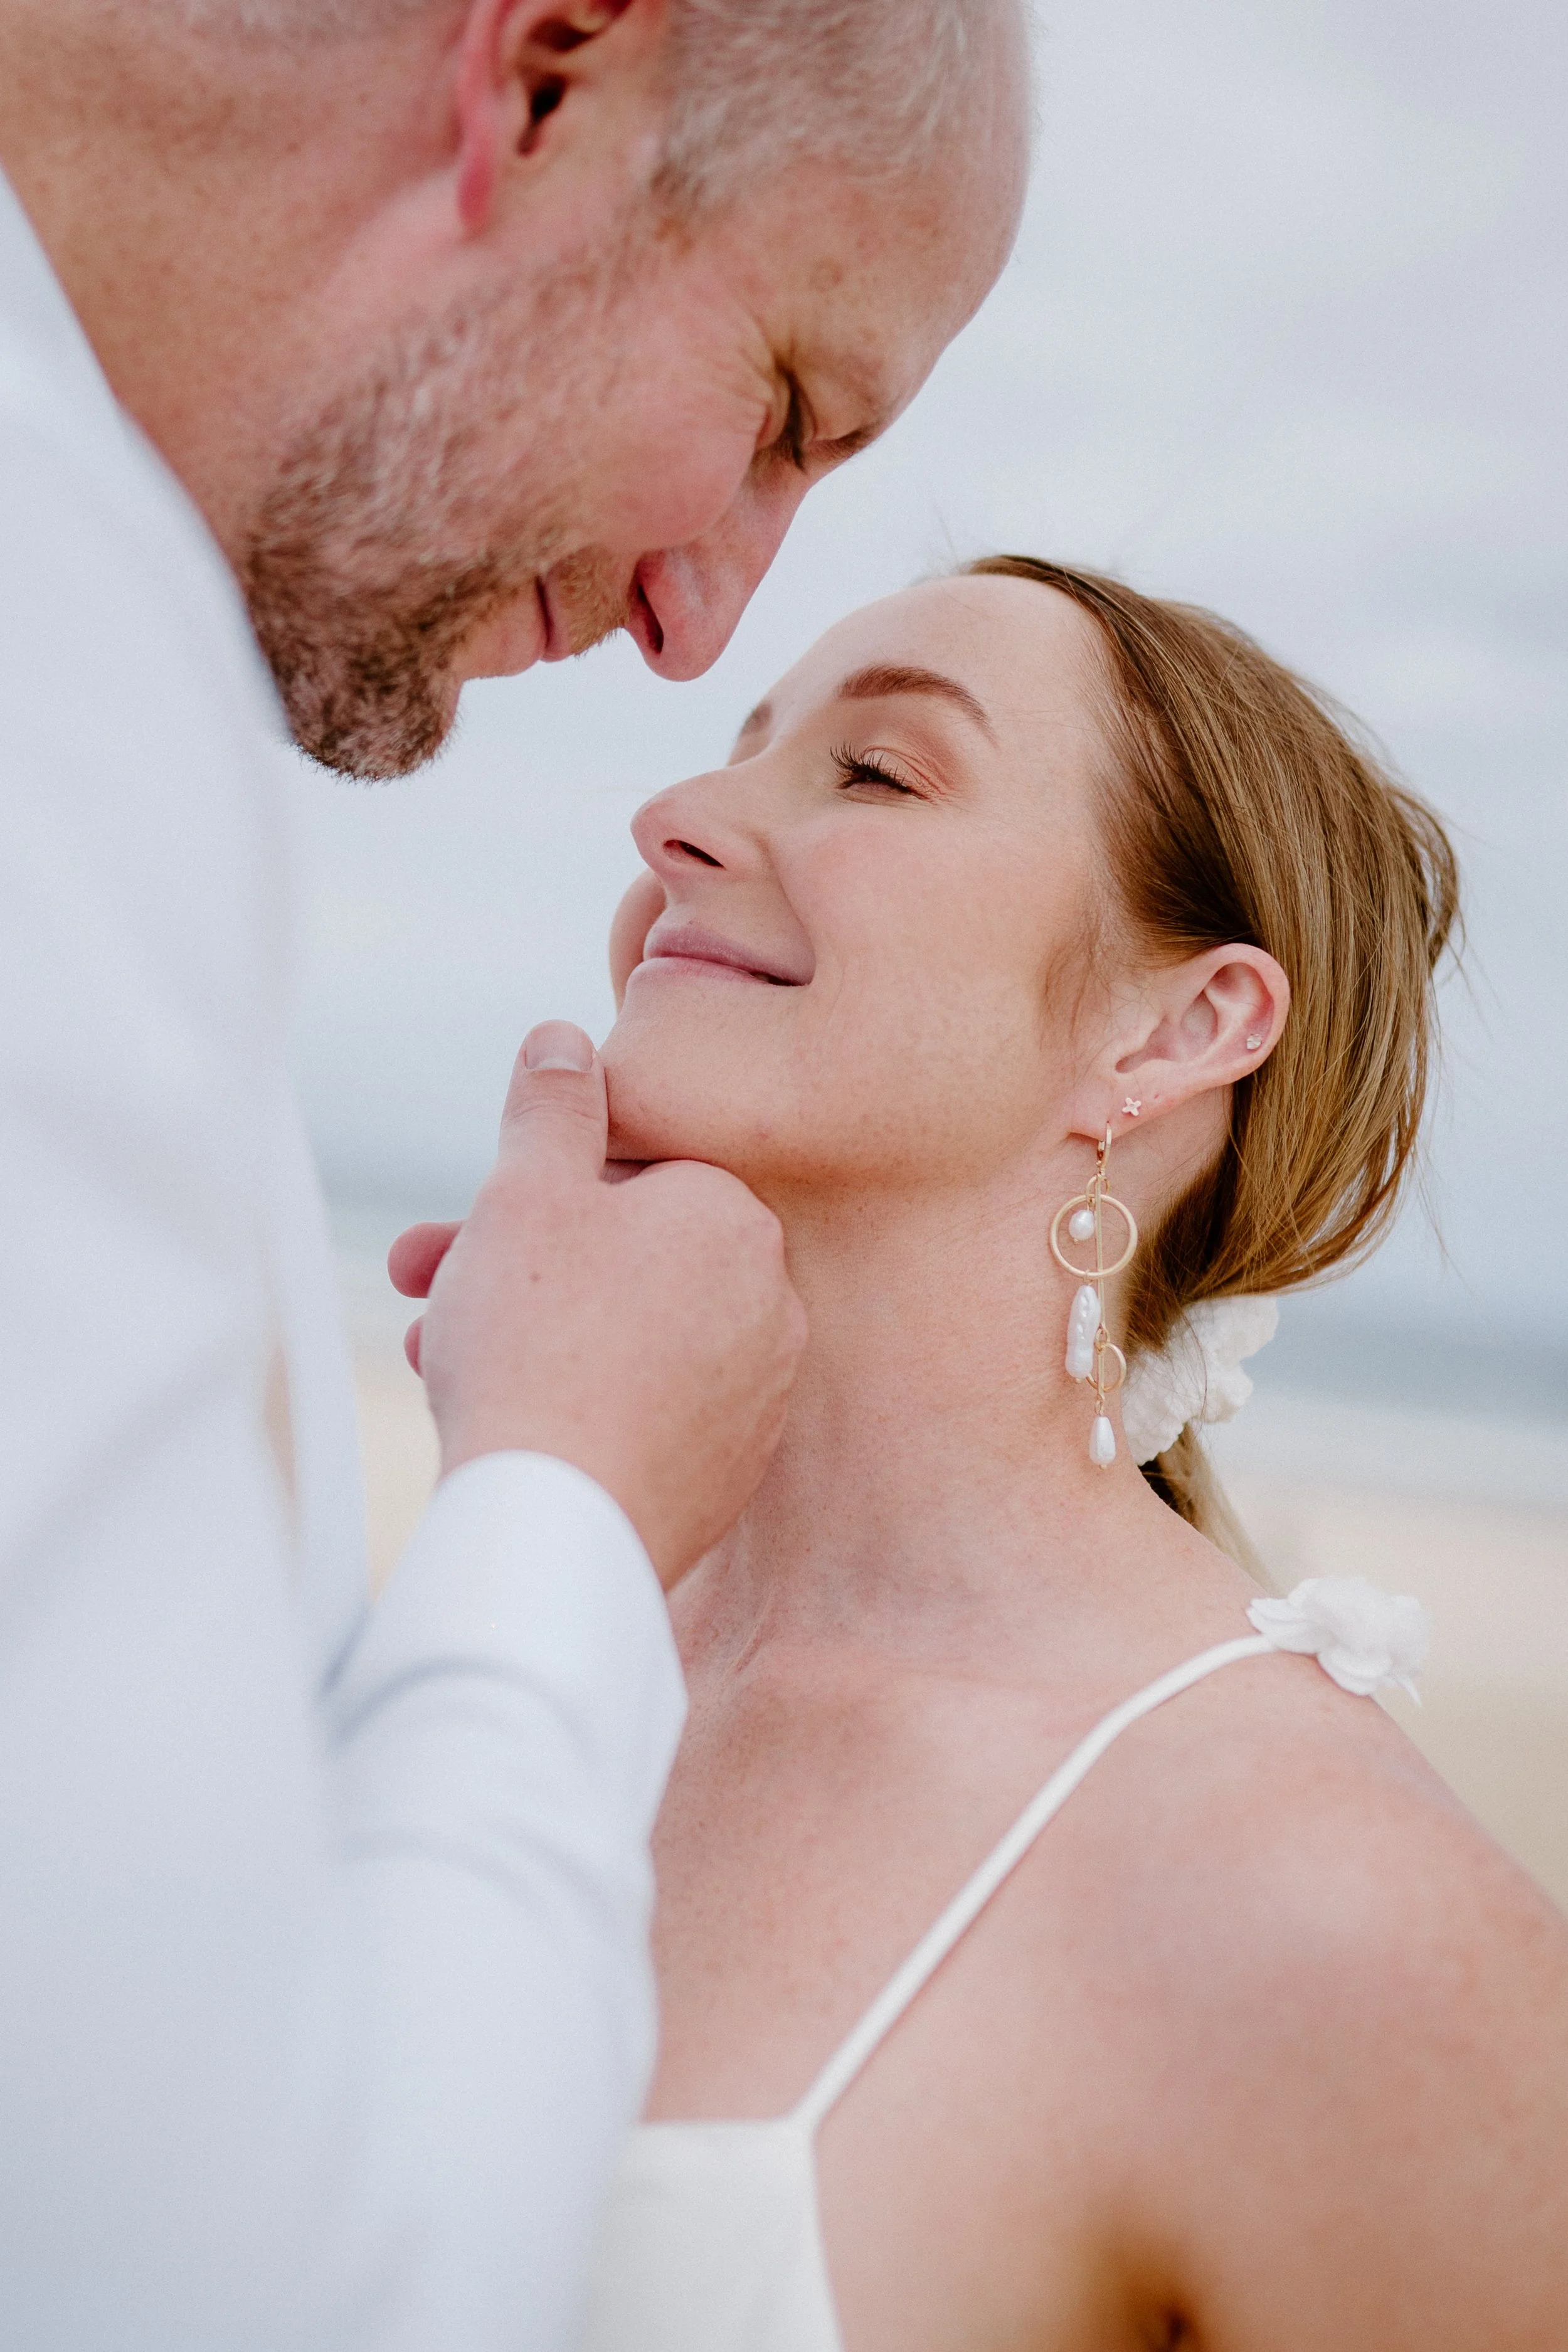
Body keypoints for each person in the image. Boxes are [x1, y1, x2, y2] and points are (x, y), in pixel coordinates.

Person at [0, 2, 1029, 2346]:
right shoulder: (50, 689)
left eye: (882, 772)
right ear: (544, 74)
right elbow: (250, 2291)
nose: (699, 620)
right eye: (780, 412)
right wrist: (561, 1498)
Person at [580, 558, 1568, 2350]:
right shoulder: (509, 1621)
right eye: (737, 748)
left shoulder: (1334, 1920)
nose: (674, 818)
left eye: (874, 771)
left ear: (1179, 1027)